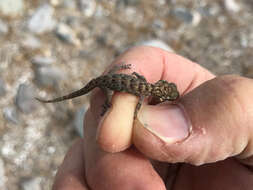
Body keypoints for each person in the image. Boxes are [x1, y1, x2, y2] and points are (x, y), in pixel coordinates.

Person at [52, 46, 253, 190]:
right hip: (107, 84)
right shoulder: (141, 96)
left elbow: (137, 79)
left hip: (111, 79)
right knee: (111, 108)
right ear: (162, 92)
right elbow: (137, 102)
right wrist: (112, 104)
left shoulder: (144, 85)